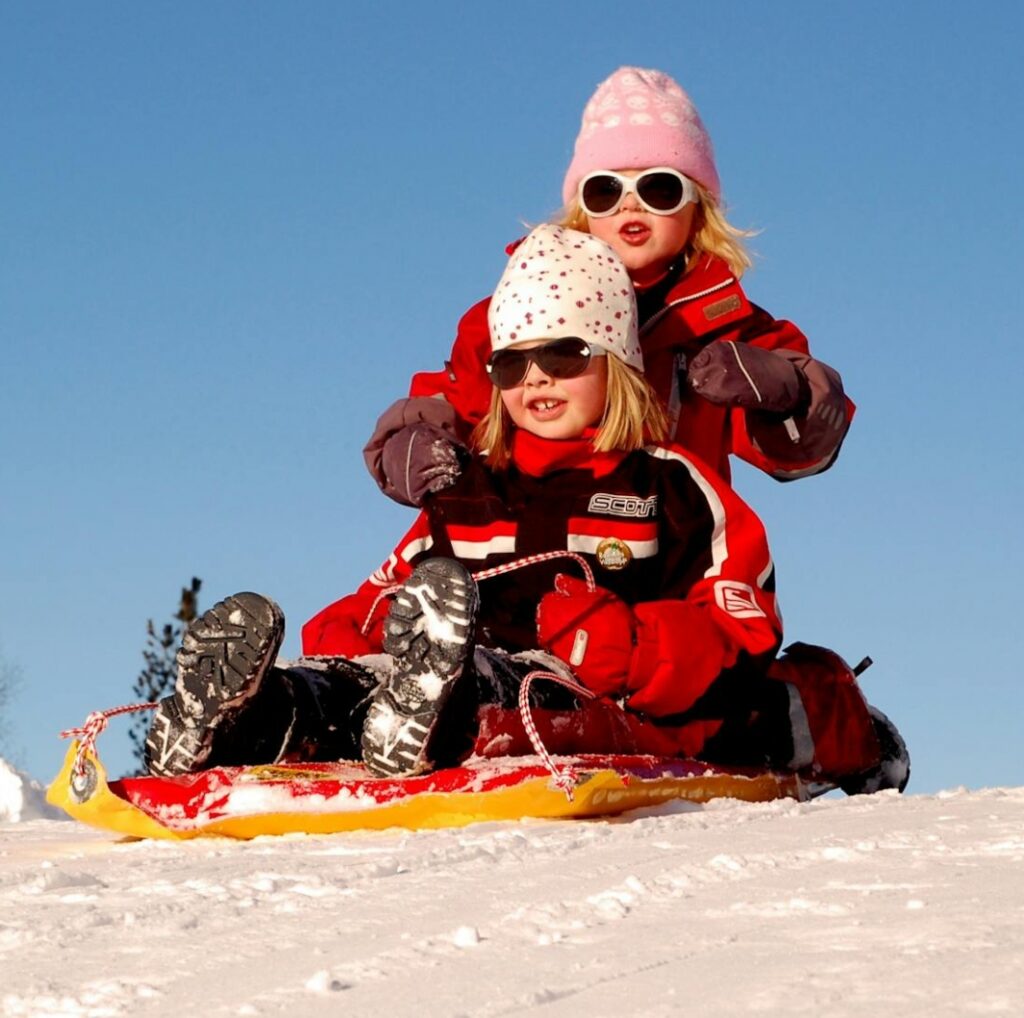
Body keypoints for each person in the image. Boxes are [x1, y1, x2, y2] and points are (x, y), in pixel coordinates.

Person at [144, 227, 906, 794]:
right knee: (353, 687)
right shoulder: (470, 489)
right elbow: (374, 597)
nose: (537, 376)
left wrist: (629, 645)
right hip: (441, 675)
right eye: (513, 362)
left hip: (587, 694)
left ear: (617, 366)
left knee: (505, 693)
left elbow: (741, 635)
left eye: (566, 355)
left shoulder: (671, 486)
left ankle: (426, 710)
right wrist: (356, 637)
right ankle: (252, 717)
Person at [366, 66, 854, 510]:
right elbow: (461, 396)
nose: (630, 206)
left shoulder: (728, 327)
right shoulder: (522, 309)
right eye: (606, 190)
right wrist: (415, 439)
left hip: (673, 544)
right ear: (583, 208)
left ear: (698, 207)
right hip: (539, 532)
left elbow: (800, 452)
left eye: (659, 188)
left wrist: (786, 392)